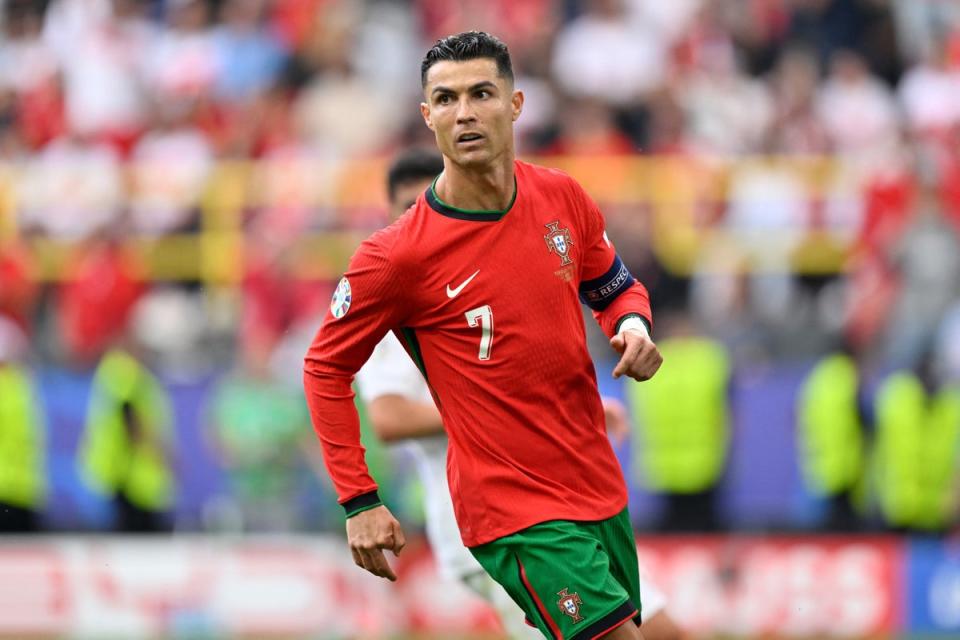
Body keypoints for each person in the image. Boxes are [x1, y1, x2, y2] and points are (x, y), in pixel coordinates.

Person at [304, 32, 662, 639]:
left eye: (480, 93)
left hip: (594, 482)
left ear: (516, 104)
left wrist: (631, 326)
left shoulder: (562, 197)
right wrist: (359, 500)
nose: (463, 112)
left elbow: (611, 285)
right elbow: (324, 367)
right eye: (445, 99)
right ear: (427, 116)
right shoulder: (398, 255)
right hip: (511, 507)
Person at [356, 149, 681, 639]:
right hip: (496, 518)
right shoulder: (395, 293)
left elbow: (607, 292)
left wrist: (570, 409)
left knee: (661, 631)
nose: (420, 213)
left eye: (430, 199)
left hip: (562, 499)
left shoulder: (488, 266)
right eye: (406, 206)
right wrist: (488, 411)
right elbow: (386, 418)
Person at [625, 312, 730, 532]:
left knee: (673, 528)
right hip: (702, 459)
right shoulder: (710, 359)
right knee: (704, 527)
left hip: (665, 462)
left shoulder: (647, 359)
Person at [79, 346, 176, 532]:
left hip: (121, 474)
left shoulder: (111, 372)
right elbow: (130, 418)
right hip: (132, 476)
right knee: (139, 545)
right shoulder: (127, 373)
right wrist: (159, 450)